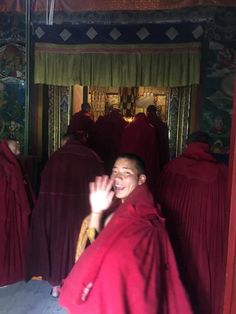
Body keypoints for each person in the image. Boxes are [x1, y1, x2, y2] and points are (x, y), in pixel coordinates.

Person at [59, 153, 192, 314]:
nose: (117, 177)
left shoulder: (144, 220)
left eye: (126, 172)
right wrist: (96, 211)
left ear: (141, 180)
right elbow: (98, 245)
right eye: (115, 171)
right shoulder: (115, 205)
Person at [158, 131, 228, 314]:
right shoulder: (220, 173)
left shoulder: (171, 168)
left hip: (176, 236)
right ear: (210, 147)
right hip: (207, 238)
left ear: (187, 144)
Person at [28, 132, 104, 297]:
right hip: (84, 212)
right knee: (82, 246)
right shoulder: (92, 157)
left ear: (66, 141)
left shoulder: (56, 157)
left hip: (57, 212)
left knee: (57, 247)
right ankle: (80, 288)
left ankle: (56, 287)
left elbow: (45, 185)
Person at [0, 139, 33, 286]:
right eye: (15, 149)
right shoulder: (6, 165)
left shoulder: (12, 163)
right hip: (6, 210)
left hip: (12, 209)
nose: (18, 152)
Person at [119, 113, 160, 198]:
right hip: (145, 162)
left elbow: (123, 146)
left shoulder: (128, 128)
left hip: (129, 162)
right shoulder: (150, 129)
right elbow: (153, 149)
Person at [146, 104, 169, 169]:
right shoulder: (162, 124)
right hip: (160, 151)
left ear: (147, 112)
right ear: (155, 112)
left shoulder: (145, 123)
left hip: (149, 152)